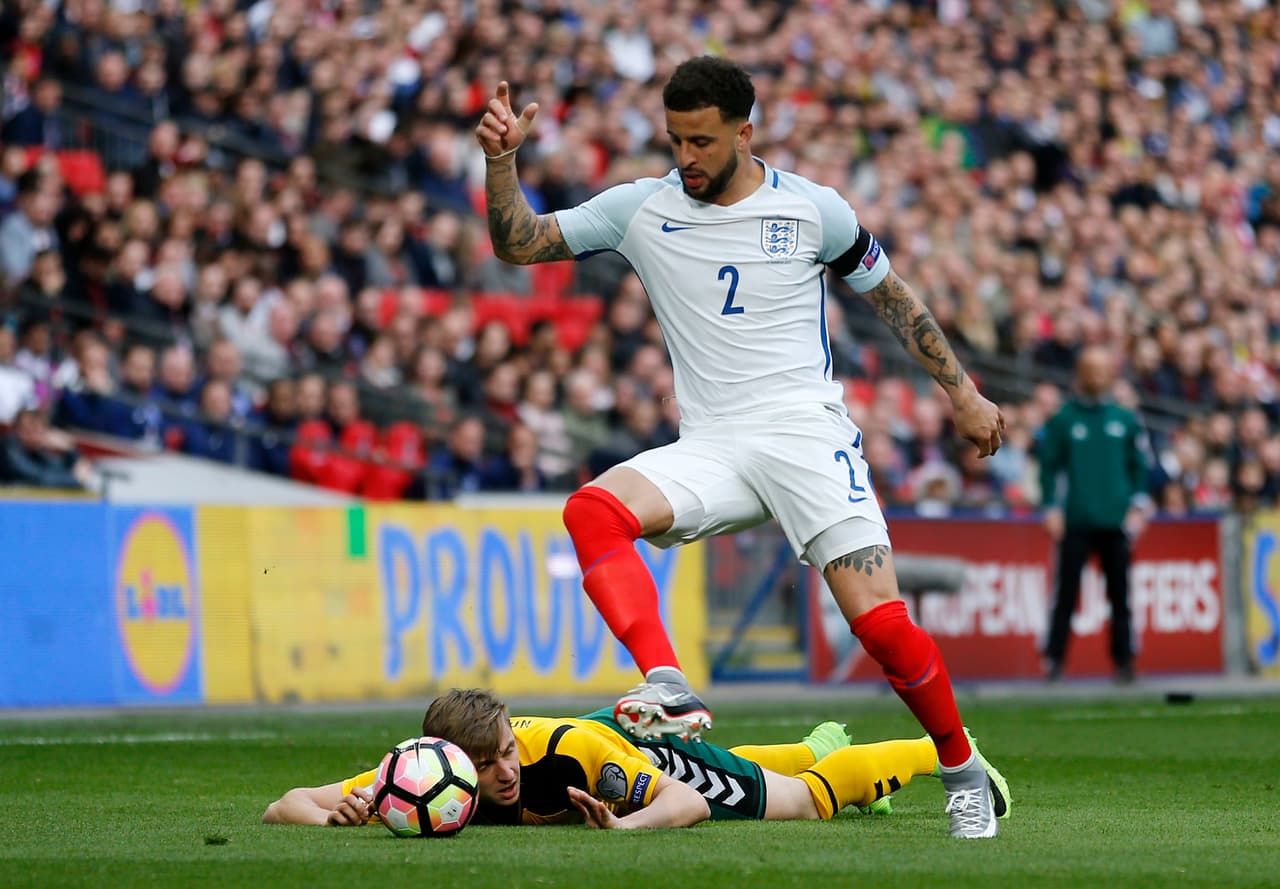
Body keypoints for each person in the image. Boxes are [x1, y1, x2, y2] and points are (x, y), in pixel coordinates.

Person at [475, 56, 1006, 838]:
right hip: (714, 442)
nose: (685, 157)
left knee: (882, 626)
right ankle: (666, 680)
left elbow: (892, 297)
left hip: (805, 433)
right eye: (674, 140)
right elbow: (520, 243)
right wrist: (501, 161)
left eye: (701, 141)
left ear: (744, 132)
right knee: (592, 511)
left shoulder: (814, 211)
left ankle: (960, 768)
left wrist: (961, 390)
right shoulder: (640, 208)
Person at [262, 688, 1010, 830]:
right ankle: (821, 742)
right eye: (487, 765)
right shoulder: (427, 767)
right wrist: (341, 813)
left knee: (802, 800)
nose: (504, 773)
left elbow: (681, 804)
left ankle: (941, 752)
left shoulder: (565, 758)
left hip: (627, 750)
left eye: (505, 755)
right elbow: (287, 800)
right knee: (760, 767)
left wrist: (625, 830)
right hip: (598, 733)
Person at [1038, 344, 1153, 684]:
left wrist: (1139, 506)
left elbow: (1140, 468)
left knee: (1120, 594)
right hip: (1076, 520)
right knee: (1066, 593)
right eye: (1092, 368)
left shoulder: (1125, 419)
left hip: (1117, 521)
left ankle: (1124, 661)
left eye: (1104, 368)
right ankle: (1054, 659)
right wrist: (1051, 507)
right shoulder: (1063, 420)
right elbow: (1048, 468)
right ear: (1081, 373)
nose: (1099, 375)